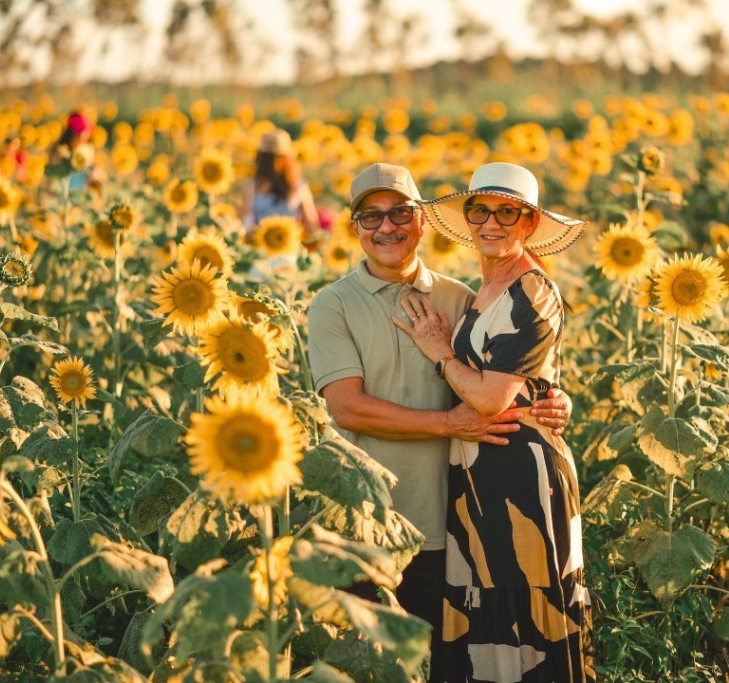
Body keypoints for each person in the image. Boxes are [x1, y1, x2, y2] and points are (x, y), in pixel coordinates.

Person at [306, 163, 572, 682]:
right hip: (366, 520)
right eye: (371, 217)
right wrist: (449, 423)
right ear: (353, 226)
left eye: (401, 213)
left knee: (446, 666)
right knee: (364, 664)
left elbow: (516, 367)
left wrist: (557, 400)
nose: (387, 228)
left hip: (453, 528)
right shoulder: (331, 305)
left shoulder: (460, 298)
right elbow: (348, 408)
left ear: (422, 222)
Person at [396, 162, 593, 682]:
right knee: (488, 616)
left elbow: (488, 397)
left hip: (520, 479)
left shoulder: (532, 292)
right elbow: (531, 378)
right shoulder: (481, 290)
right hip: (479, 472)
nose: (492, 222)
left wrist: (440, 353)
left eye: (508, 212)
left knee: (524, 615)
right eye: (480, 209)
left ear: (529, 224)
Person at [241, 129, 319, 242]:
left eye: (272, 158)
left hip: (289, 248)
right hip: (258, 248)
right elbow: (245, 222)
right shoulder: (252, 186)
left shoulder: (299, 187)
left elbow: (312, 225)